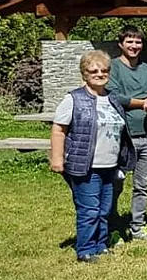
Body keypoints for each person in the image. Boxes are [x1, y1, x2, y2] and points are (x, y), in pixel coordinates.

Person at [50, 51, 133, 262]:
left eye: (104, 70)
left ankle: (101, 244)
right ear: (84, 74)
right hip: (84, 164)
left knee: (105, 209)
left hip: (110, 164)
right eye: (93, 70)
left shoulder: (112, 98)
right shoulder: (74, 99)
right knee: (89, 210)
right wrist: (57, 159)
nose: (99, 73)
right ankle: (85, 250)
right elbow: (59, 130)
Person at [107, 26, 147, 242]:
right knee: (115, 184)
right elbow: (115, 97)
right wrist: (143, 101)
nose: (134, 46)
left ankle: (137, 227)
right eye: (129, 41)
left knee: (142, 185)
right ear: (121, 43)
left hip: (145, 137)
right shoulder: (113, 68)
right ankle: (111, 227)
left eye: (138, 42)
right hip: (121, 137)